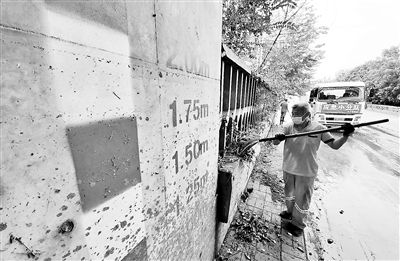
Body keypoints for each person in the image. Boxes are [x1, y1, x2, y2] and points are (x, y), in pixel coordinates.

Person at [272, 102, 354, 237]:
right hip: (289, 168)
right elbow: (275, 142)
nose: (294, 117)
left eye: (298, 115)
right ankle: (290, 212)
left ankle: (298, 225)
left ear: (308, 115)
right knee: (289, 195)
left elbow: (334, 145)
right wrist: (277, 138)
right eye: (293, 114)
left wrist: (345, 136)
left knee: (302, 200)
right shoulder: (288, 126)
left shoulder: (319, 128)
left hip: (306, 172)